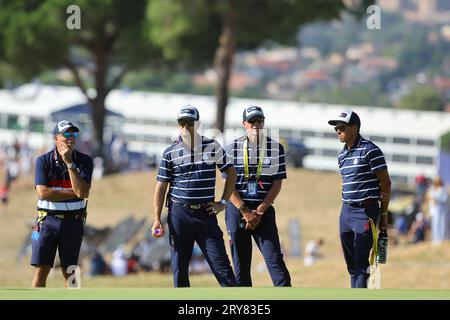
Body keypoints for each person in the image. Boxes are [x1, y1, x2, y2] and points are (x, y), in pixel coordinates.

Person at [151, 105, 237, 287]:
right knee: (179, 268)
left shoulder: (212, 146)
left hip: (205, 214)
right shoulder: (170, 152)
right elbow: (161, 187)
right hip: (179, 214)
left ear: (197, 124)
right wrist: (157, 219)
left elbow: (231, 172)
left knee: (221, 266)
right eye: (182, 123)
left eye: (189, 123)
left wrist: (223, 202)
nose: (185, 127)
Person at [224, 105, 291, 287]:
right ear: (244, 123)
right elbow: (228, 186)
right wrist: (245, 210)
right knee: (241, 267)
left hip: (264, 212)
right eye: (252, 121)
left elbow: (277, 183)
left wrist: (259, 211)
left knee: (275, 260)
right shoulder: (232, 148)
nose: (256, 125)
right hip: (237, 211)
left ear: (264, 123)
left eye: (259, 121)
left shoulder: (275, 148)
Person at [328, 110, 391, 288]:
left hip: (366, 211)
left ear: (354, 128)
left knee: (361, 262)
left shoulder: (371, 150)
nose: (338, 131)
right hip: (346, 212)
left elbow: (386, 183)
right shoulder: (342, 156)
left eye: (342, 128)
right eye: (336, 129)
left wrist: (384, 215)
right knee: (352, 265)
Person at [31, 120, 93, 287]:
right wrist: (73, 193)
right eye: (66, 134)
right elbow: (43, 193)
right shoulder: (43, 161)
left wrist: (70, 164)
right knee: (41, 269)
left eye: (73, 134)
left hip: (73, 221)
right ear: (55, 138)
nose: (70, 138)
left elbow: (83, 193)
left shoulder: (84, 161)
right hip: (47, 221)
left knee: (71, 271)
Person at [425, 176, 449, 244]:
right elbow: (427, 197)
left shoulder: (443, 189)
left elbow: (445, 199)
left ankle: (443, 239)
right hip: (435, 210)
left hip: (443, 210)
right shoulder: (433, 189)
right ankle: (436, 239)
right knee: (435, 225)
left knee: (443, 225)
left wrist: (436, 199)